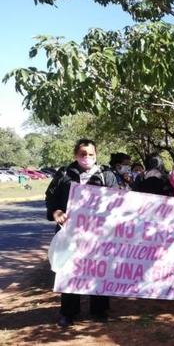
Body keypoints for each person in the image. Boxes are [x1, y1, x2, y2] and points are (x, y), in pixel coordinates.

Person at [44, 138, 119, 328]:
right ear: (76, 155)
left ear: (96, 154)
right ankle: (68, 313)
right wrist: (55, 212)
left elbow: (118, 200)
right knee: (69, 269)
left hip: (98, 233)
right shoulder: (64, 174)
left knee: (98, 268)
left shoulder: (106, 175)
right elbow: (51, 196)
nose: (87, 158)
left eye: (90, 154)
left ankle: (99, 309)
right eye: (82, 154)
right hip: (69, 232)